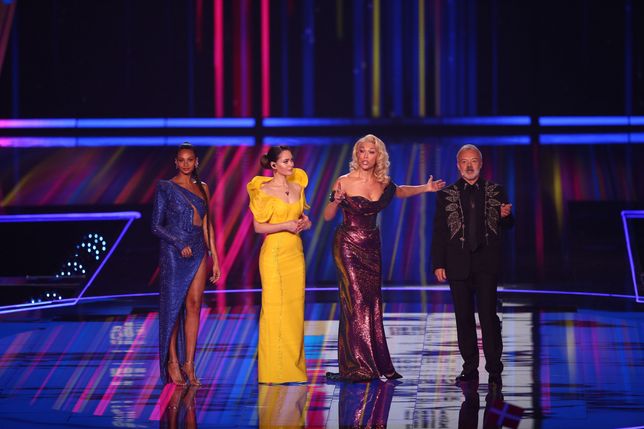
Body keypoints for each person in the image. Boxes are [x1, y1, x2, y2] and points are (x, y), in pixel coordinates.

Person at [323, 134, 445, 381]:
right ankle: (358, 366)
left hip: (371, 245)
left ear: (378, 156)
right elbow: (327, 216)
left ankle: (374, 362)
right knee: (356, 300)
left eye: (371, 152)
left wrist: (426, 188)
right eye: (361, 151)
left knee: (371, 302)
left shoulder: (384, 183)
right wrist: (335, 202)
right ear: (356, 154)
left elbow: (400, 192)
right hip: (347, 244)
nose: (365, 156)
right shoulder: (344, 181)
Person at [431, 144, 514, 387]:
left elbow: (507, 226)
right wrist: (438, 263)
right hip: (457, 264)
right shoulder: (446, 194)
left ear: (481, 164)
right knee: (463, 318)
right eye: (464, 162)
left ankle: (494, 369)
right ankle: (470, 368)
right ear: (458, 165)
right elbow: (439, 232)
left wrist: (507, 217)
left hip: (487, 263)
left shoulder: (496, 191)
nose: (469, 166)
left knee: (488, 317)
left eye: (473, 161)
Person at [152, 143, 221, 386]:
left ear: (196, 161)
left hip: (198, 249)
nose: (185, 164)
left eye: (189, 160)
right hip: (174, 250)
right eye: (181, 160)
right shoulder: (166, 187)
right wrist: (178, 242)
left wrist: (215, 257)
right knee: (173, 307)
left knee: (194, 305)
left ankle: (189, 363)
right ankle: (172, 362)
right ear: (176, 162)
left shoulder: (203, 188)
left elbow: (206, 224)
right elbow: (155, 225)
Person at [247, 145, 312, 384]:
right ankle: (272, 371)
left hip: (295, 253)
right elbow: (258, 227)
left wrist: (305, 224)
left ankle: (292, 369)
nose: (290, 165)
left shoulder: (298, 186)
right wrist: (284, 226)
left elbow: (305, 220)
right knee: (273, 310)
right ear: (273, 165)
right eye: (285, 161)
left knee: (294, 312)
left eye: (291, 160)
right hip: (273, 253)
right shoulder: (263, 190)